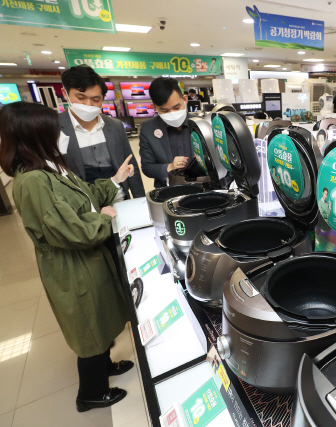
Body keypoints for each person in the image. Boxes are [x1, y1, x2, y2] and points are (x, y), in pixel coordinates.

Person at [0, 102, 134, 412]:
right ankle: (91, 393)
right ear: (36, 135)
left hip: (88, 262)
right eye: (54, 129)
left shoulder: (48, 167)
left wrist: (114, 181)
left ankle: (106, 366)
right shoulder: (33, 181)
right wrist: (104, 217)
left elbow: (84, 197)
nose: (62, 133)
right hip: (73, 267)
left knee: (99, 320)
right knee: (88, 327)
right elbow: (73, 232)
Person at [60, 65, 144, 200]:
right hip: (85, 208)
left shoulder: (115, 126)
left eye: (95, 99)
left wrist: (141, 200)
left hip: (120, 199)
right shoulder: (54, 129)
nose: (88, 104)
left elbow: (130, 164)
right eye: (81, 97)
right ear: (65, 94)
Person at [139, 77, 195, 188]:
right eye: (165, 110)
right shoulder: (148, 129)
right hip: (168, 191)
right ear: (155, 107)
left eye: (177, 107)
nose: (172, 113)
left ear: (185, 99)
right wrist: (169, 167)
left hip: (202, 189)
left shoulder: (202, 124)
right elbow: (147, 167)